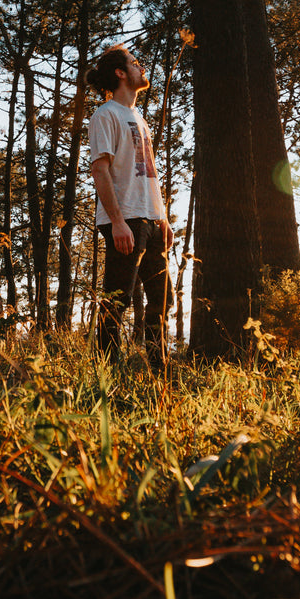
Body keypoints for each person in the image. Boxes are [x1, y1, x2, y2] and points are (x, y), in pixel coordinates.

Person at [86, 45, 174, 368]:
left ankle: (158, 372)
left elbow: (148, 171)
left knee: (163, 298)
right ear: (120, 73)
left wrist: (162, 218)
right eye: (135, 63)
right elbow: (100, 170)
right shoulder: (105, 114)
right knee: (116, 301)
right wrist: (118, 221)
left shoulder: (137, 117)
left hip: (150, 221)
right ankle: (107, 374)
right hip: (125, 222)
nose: (141, 67)